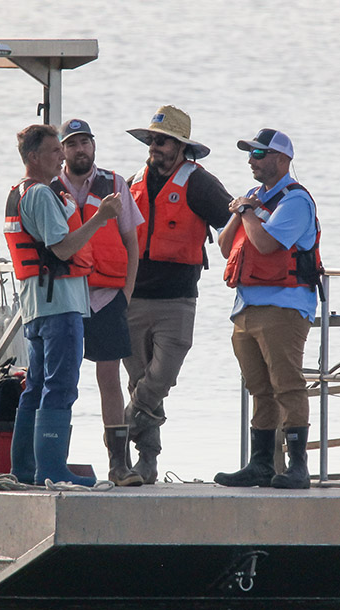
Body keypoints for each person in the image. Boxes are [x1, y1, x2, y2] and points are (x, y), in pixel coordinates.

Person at [5, 123, 120, 486]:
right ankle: (52, 470)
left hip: (38, 307)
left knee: (37, 385)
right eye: (55, 151)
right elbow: (62, 248)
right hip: (58, 307)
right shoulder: (39, 194)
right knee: (60, 385)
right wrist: (100, 218)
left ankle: (25, 470)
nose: (62, 156)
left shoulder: (21, 192)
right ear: (35, 157)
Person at [123, 105, 233, 483]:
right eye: (152, 140)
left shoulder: (200, 184)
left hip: (178, 301)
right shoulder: (131, 182)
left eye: (163, 140)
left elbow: (233, 222)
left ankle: (122, 427)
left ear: (181, 147)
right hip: (132, 299)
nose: (155, 147)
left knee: (159, 381)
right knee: (139, 381)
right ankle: (147, 462)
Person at [215, 128, 322, 489]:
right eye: (250, 154)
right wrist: (243, 209)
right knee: (259, 388)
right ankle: (261, 464)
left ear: (282, 160)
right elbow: (226, 246)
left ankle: (297, 467)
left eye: (259, 154)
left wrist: (246, 210)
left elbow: (263, 244)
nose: (251, 161)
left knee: (287, 385)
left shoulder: (294, 201)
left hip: (284, 309)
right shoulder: (256, 199)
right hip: (247, 308)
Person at [50, 119, 144, 486]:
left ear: (94, 146)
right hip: (64, 298)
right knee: (59, 379)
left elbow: (131, 242)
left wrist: (127, 293)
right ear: (62, 151)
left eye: (85, 142)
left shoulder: (115, 184)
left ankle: (119, 465)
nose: (80, 149)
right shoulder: (49, 188)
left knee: (109, 377)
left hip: (107, 298)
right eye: (72, 144)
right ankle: (53, 460)